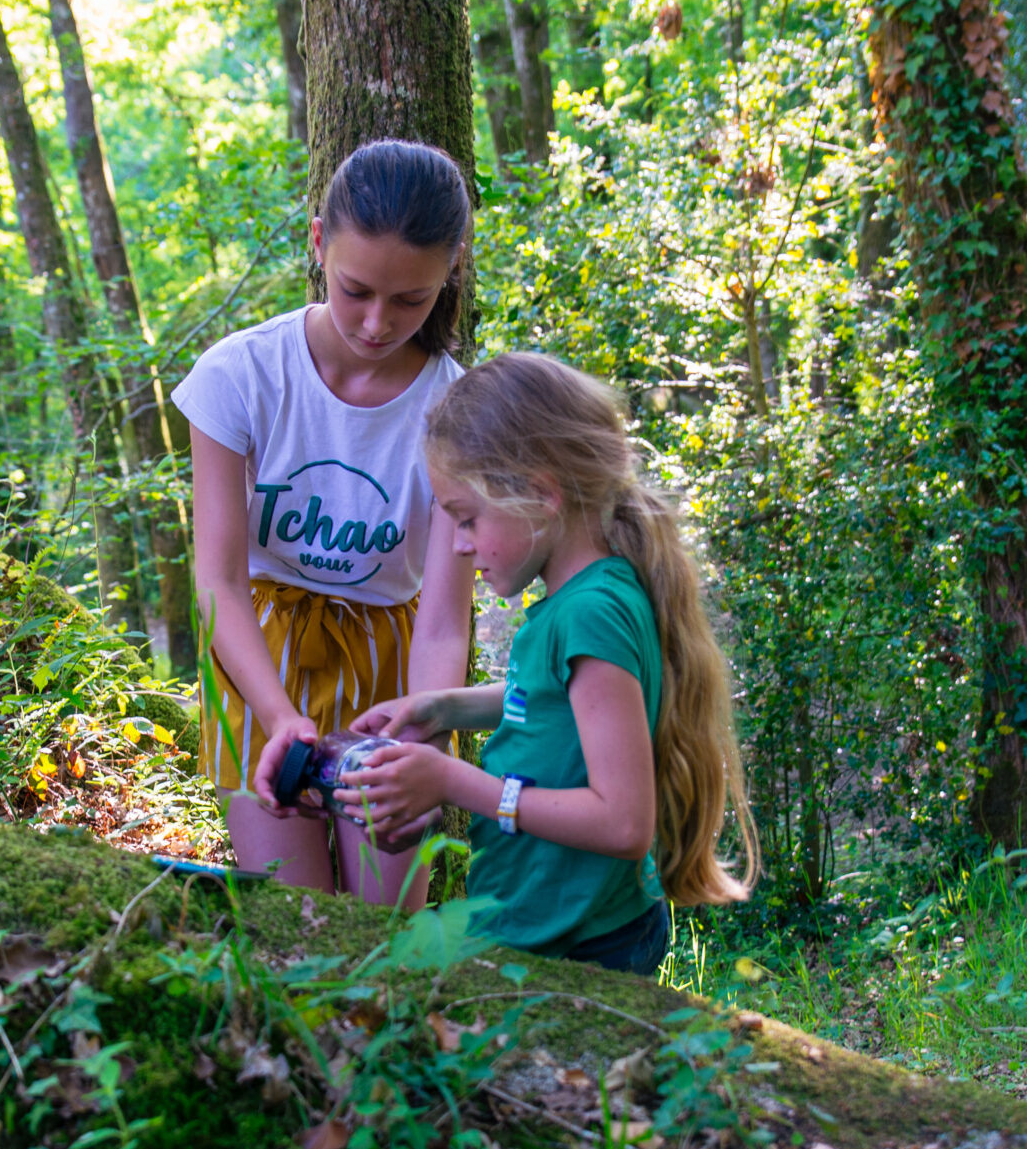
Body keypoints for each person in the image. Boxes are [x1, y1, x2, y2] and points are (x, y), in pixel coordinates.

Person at [330, 353, 760, 975]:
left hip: (580, 945)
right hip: (540, 924)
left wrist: (455, 783)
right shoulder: (588, 597)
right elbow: (554, 703)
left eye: (467, 519)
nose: (458, 544)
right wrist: (441, 706)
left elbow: (623, 823)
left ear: (538, 493)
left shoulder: (590, 614)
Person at [173, 140, 475, 905]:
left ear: (450, 271)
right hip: (259, 654)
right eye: (356, 290)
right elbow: (217, 580)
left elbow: (442, 622)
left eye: (412, 300)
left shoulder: (458, 411)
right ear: (318, 242)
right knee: (294, 918)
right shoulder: (241, 376)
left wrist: (421, 739)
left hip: (393, 663)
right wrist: (277, 717)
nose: (378, 323)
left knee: (384, 921)